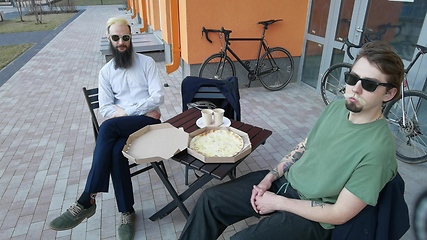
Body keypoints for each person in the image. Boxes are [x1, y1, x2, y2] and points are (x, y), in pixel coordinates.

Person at [178, 41, 405, 240]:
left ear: (388, 94)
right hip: (285, 184)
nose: (355, 89)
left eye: (369, 84)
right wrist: (270, 178)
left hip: (314, 216)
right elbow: (305, 146)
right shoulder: (337, 108)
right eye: (352, 78)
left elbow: (340, 213)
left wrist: (276, 203)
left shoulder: (378, 150)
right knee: (210, 200)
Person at [49, 17, 164, 240]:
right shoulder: (106, 72)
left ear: (131, 38)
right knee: (114, 150)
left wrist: (125, 111)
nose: (121, 42)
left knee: (108, 129)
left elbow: (157, 96)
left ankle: (87, 199)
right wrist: (138, 110)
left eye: (125, 37)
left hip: (149, 125)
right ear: (109, 39)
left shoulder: (147, 63)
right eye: (116, 37)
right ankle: (127, 212)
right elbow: (105, 109)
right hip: (132, 122)